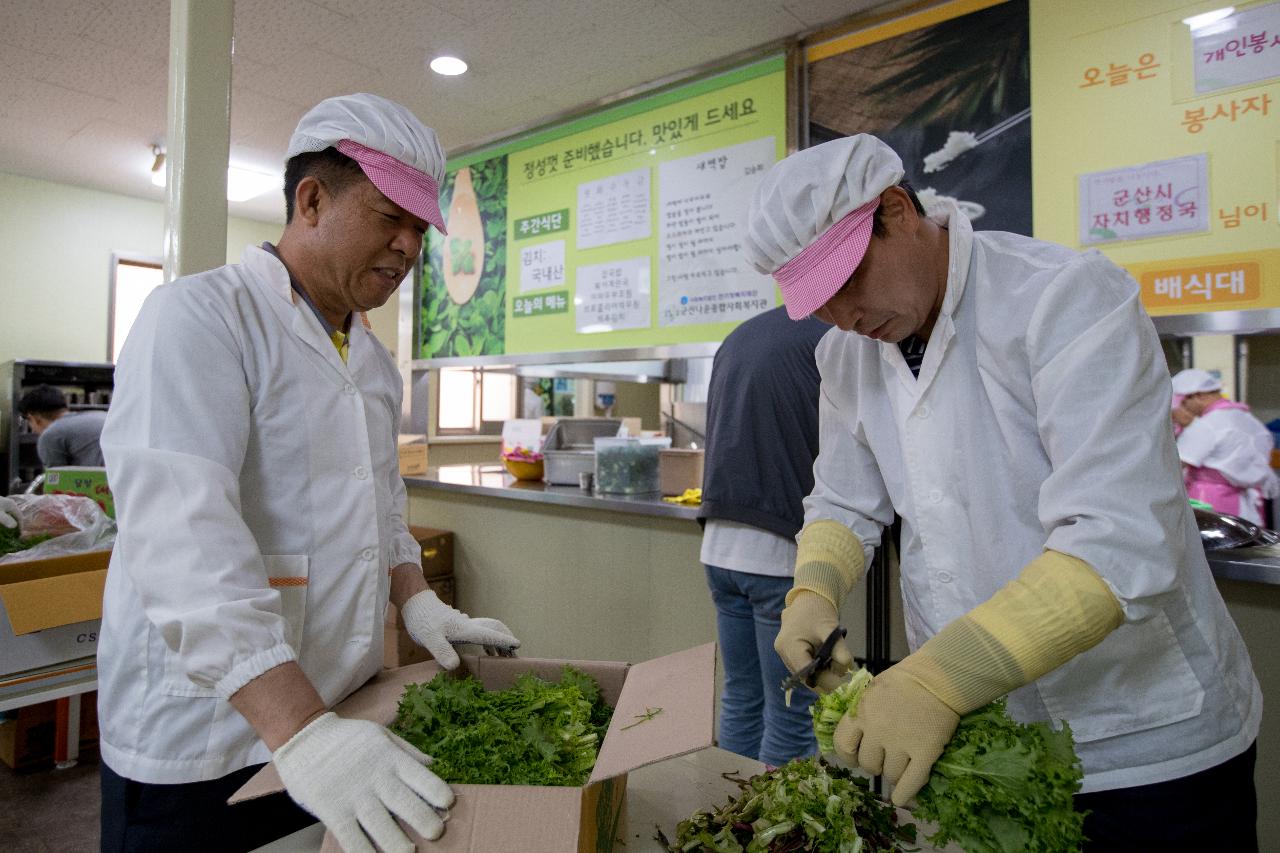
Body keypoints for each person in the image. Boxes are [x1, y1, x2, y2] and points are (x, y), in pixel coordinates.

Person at [744, 134, 1260, 851]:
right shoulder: (845, 354)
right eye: (818, 302)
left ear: (896, 211)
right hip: (986, 737)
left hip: (1139, 734)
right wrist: (813, 590)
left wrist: (936, 679)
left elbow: (1116, 538)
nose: (843, 315)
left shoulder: (1064, 297)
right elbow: (843, 501)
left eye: (847, 281)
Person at [97, 93, 521, 853]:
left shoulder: (372, 360)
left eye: (419, 229)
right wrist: (299, 729)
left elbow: (382, 502)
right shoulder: (199, 318)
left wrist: (416, 598)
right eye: (390, 217)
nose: (407, 246)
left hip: (337, 727)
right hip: (209, 733)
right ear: (312, 198)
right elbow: (180, 538)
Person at [699, 306, 828, 767]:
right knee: (792, 713)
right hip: (779, 552)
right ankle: (772, 834)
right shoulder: (834, 335)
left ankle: (730, 816)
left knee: (742, 696)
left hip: (719, 546)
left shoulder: (739, 334)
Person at [1171, 368, 1277, 525]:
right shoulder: (1247, 419)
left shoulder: (1206, 425)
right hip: (1245, 504)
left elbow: (1173, 464)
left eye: (1184, 403)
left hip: (1209, 501)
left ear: (1198, 396)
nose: (1185, 409)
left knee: (1212, 548)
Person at [17, 384, 106, 467]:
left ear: (33, 418)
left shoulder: (50, 434)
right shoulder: (97, 415)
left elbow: (57, 479)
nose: (33, 430)